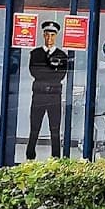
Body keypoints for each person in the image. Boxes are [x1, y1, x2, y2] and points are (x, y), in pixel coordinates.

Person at [26, 20, 69, 160]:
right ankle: (30, 155)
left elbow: (61, 75)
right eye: (47, 35)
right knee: (34, 127)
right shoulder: (36, 53)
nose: (49, 38)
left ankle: (55, 157)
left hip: (54, 96)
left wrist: (47, 75)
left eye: (52, 35)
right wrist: (51, 72)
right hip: (39, 95)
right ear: (43, 35)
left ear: (55, 36)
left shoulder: (62, 55)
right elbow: (34, 72)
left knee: (55, 128)